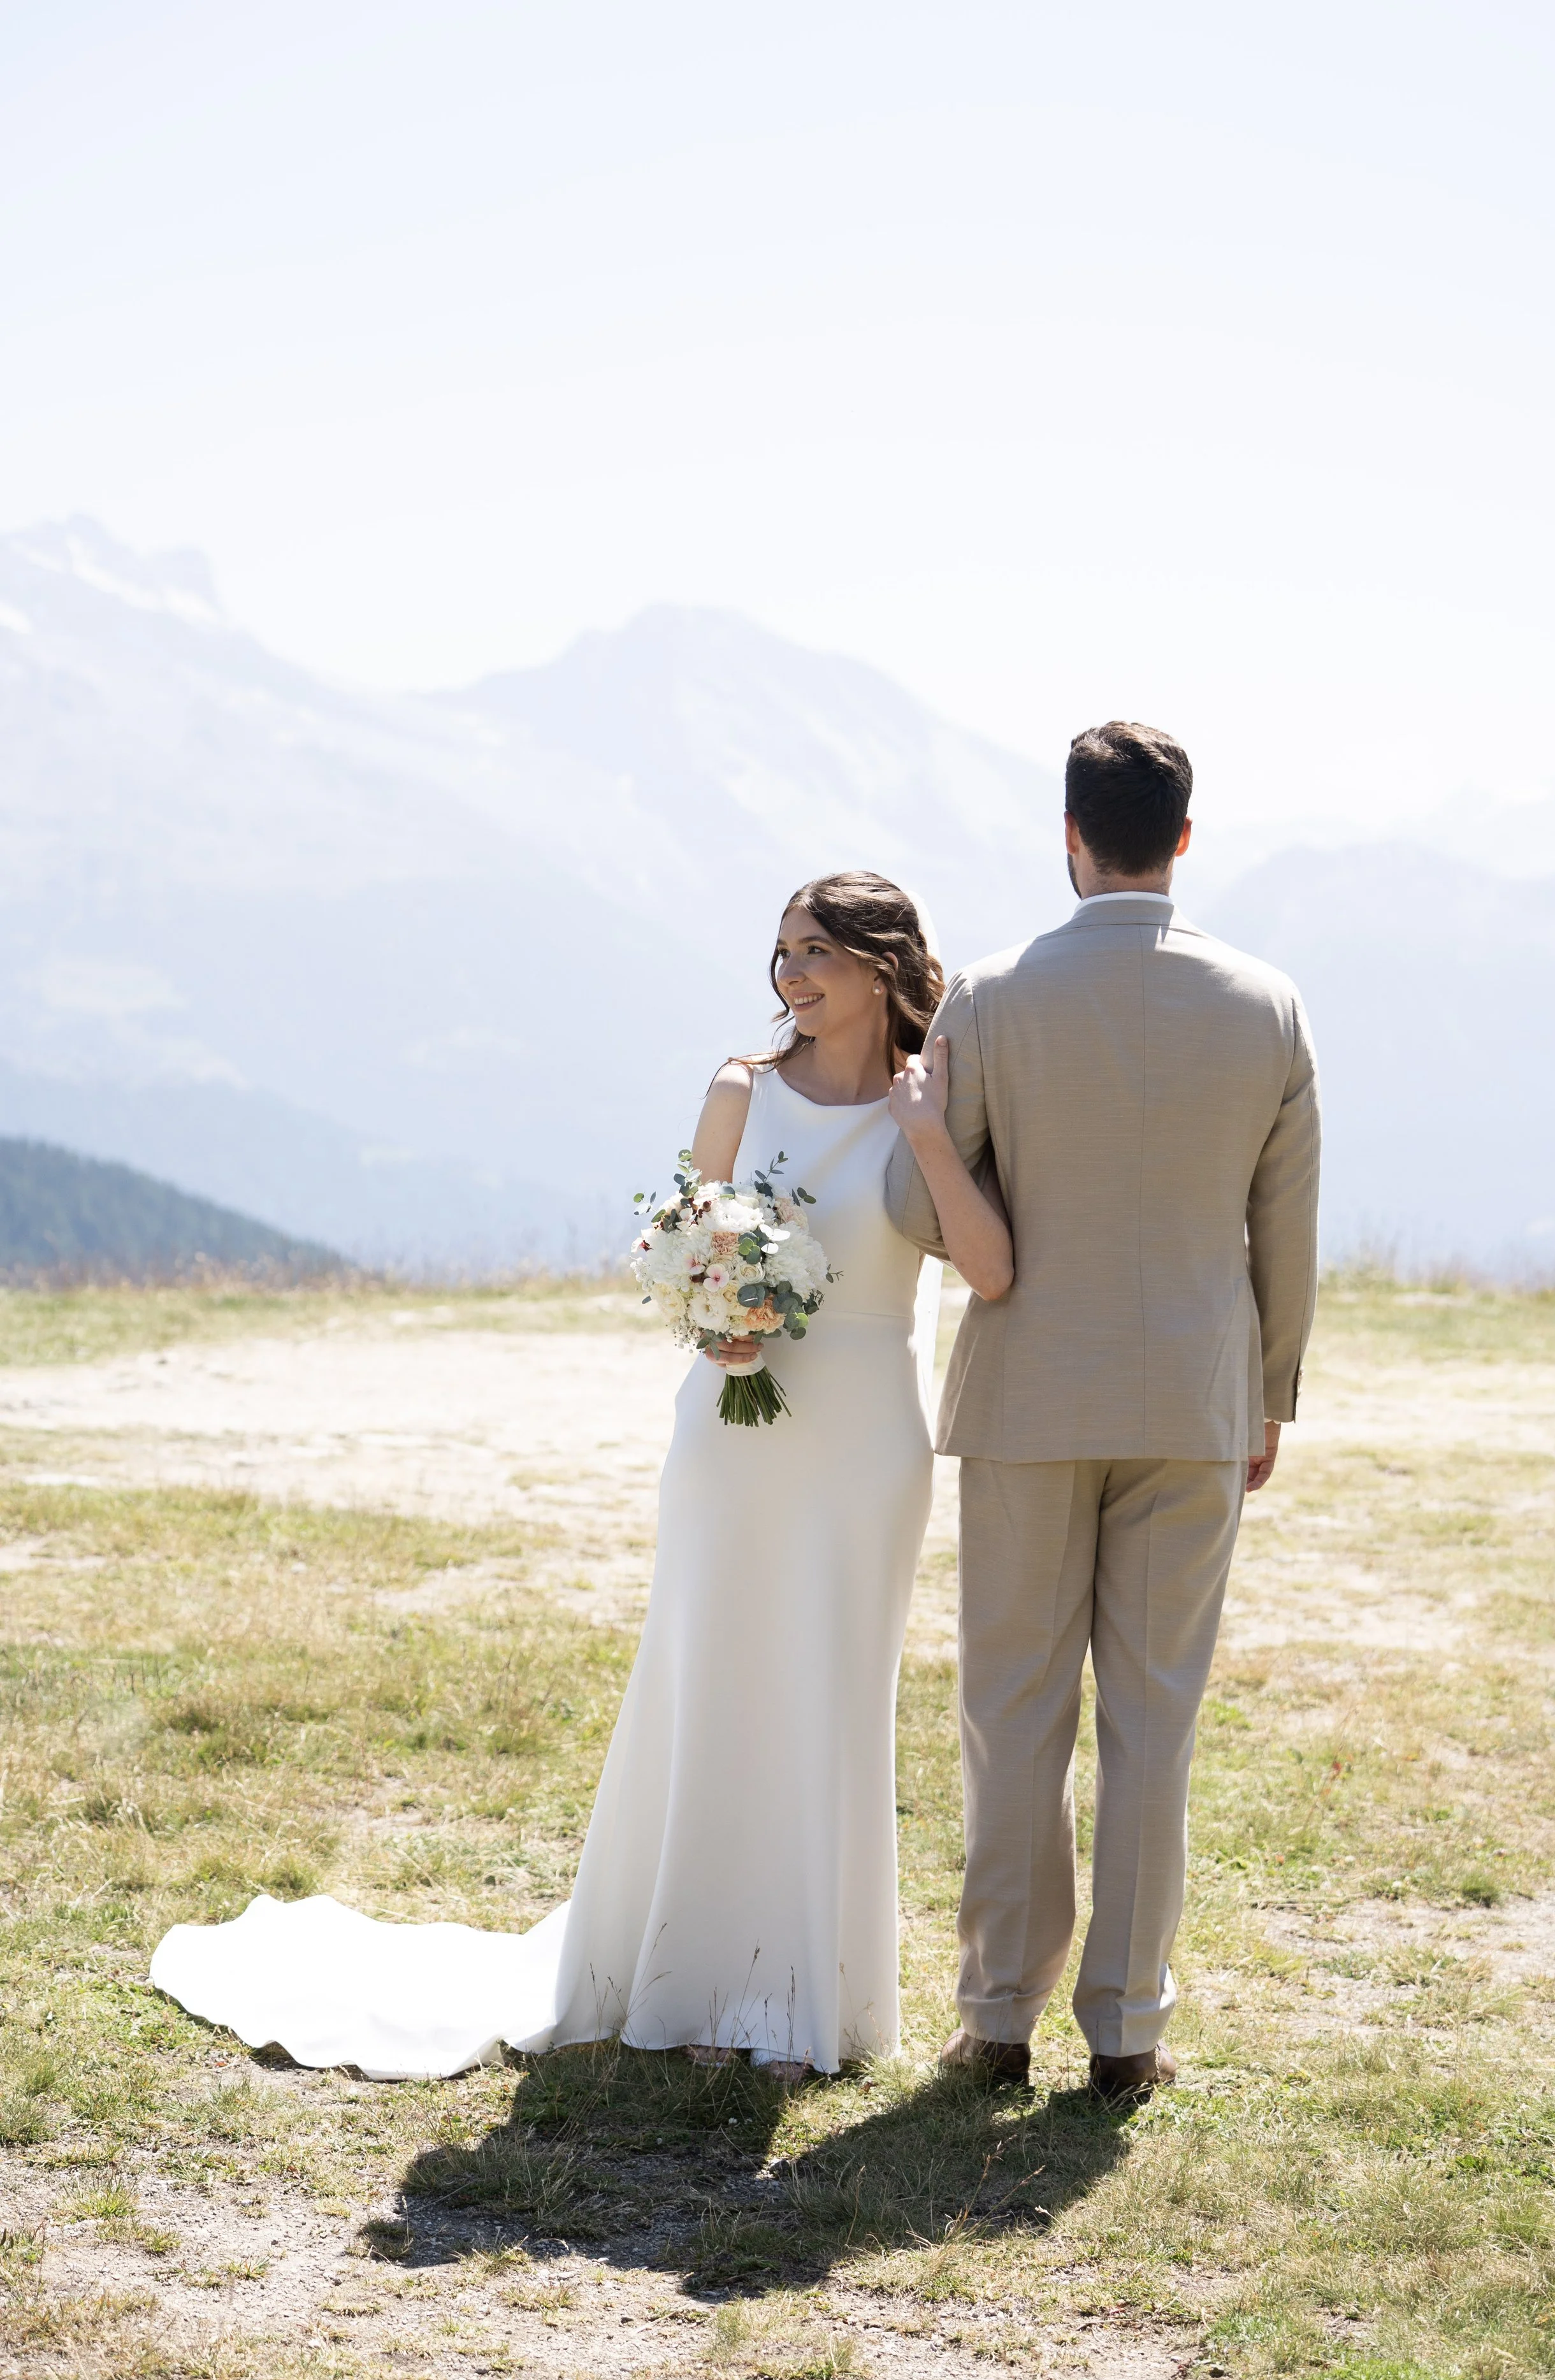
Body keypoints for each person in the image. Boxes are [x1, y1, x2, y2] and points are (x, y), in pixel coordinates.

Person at [151, 872, 1010, 2081]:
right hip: (734, 1426)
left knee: (832, 1696)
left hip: (869, 1442)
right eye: (781, 953)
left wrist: (924, 1130)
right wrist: (718, 1322)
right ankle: (689, 1983)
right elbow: (685, 1248)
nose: (792, 976)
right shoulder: (740, 1089)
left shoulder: (936, 1100)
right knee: (707, 1680)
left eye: (816, 951)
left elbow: (994, 1266)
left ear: (880, 963)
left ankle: (809, 2001)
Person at [886, 721, 1320, 2097]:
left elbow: (918, 1208)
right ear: (1181, 840)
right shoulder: (1266, 1004)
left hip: (1023, 1396)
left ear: (1067, 836)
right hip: (1194, 1399)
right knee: (1153, 1720)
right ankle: (1126, 2032)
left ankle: (996, 2016)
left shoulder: (992, 1000)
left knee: (1013, 1714)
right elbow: (1285, 1227)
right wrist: (1269, 1397)